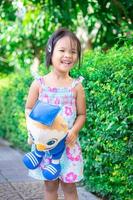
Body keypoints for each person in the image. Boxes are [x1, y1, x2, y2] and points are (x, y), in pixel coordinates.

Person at [25, 27, 86, 200]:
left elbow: (82, 114)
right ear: (50, 52)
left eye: (73, 52)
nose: (68, 55)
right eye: (62, 50)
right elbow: (29, 108)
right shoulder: (39, 84)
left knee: (69, 187)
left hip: (68, 146)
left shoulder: (76, 86)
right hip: (45, 146)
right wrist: (32, 130)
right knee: (50, 186)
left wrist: (74, 131)